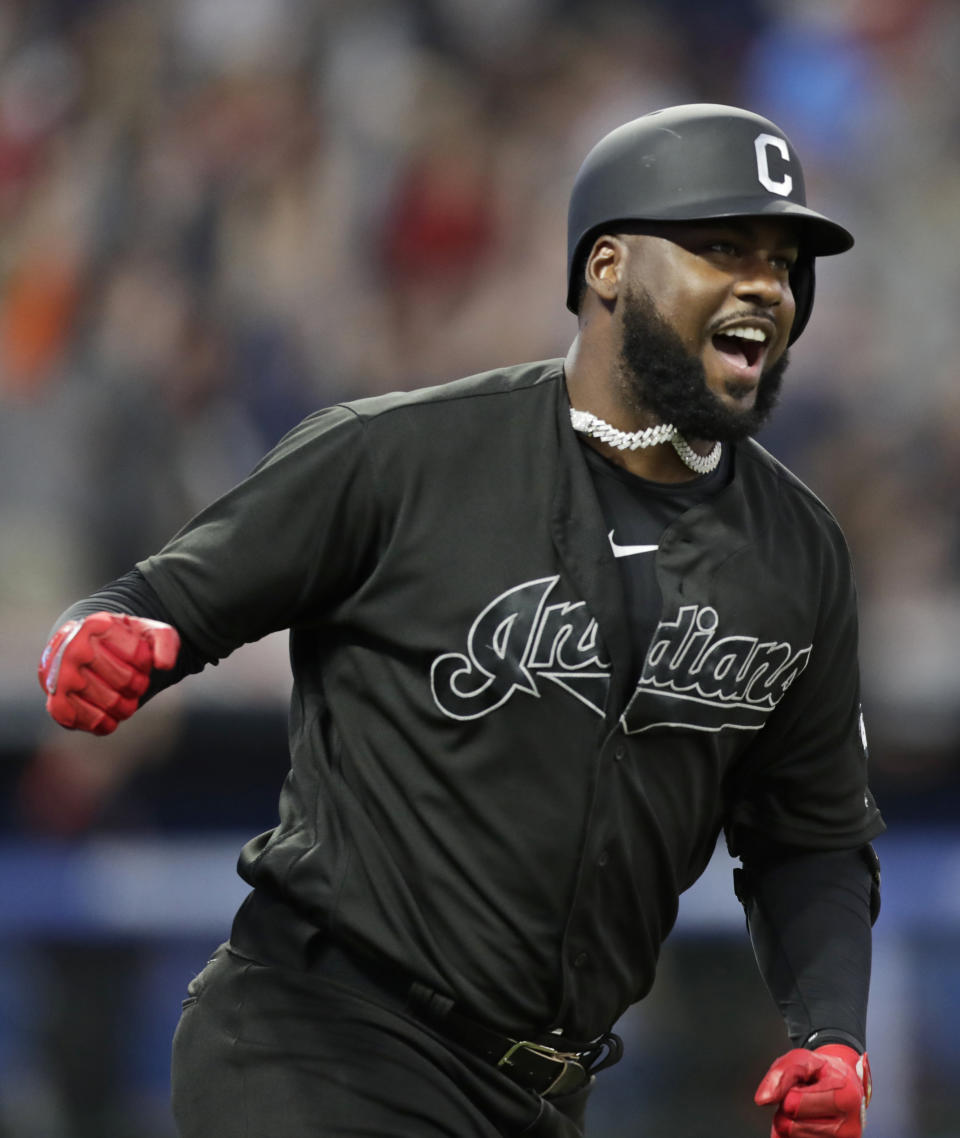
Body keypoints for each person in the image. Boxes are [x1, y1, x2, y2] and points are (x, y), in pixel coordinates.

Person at [38, 104, 885, 1138]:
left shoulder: (797, 551)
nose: (766, 284)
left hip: (537, 1096)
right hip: (321, 1037)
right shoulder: (402, 457)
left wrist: (830, 1031)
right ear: (608, 267)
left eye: (784, 260)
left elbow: (811, 839)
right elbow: (155, 604)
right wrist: (112, 639)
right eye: (721, 248)